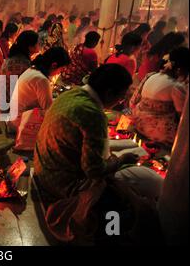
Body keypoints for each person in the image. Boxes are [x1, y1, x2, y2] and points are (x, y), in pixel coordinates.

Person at [33, 64, 162, 244]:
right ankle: (113, 236)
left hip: (45, 169)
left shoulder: (71, 94)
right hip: (63, 183)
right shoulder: (92, 113)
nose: (119, 102)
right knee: (121, 201)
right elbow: (93, 170)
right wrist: (120, 160)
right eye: (120, 96)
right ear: (109, 93)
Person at [130, 47, 188, 146]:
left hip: (138, 122)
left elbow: (133, 101)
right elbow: (182, 116)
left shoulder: (151, 75)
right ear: (181, 69)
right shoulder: (177, 87)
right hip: (159, 133)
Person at [9, 46, 70, 130]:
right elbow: (48, 110)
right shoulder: (41, 79)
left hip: (15, 116)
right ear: (54, 65)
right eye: (61, 69)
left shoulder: (33, 69)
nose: (59, 73)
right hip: (20, 121)